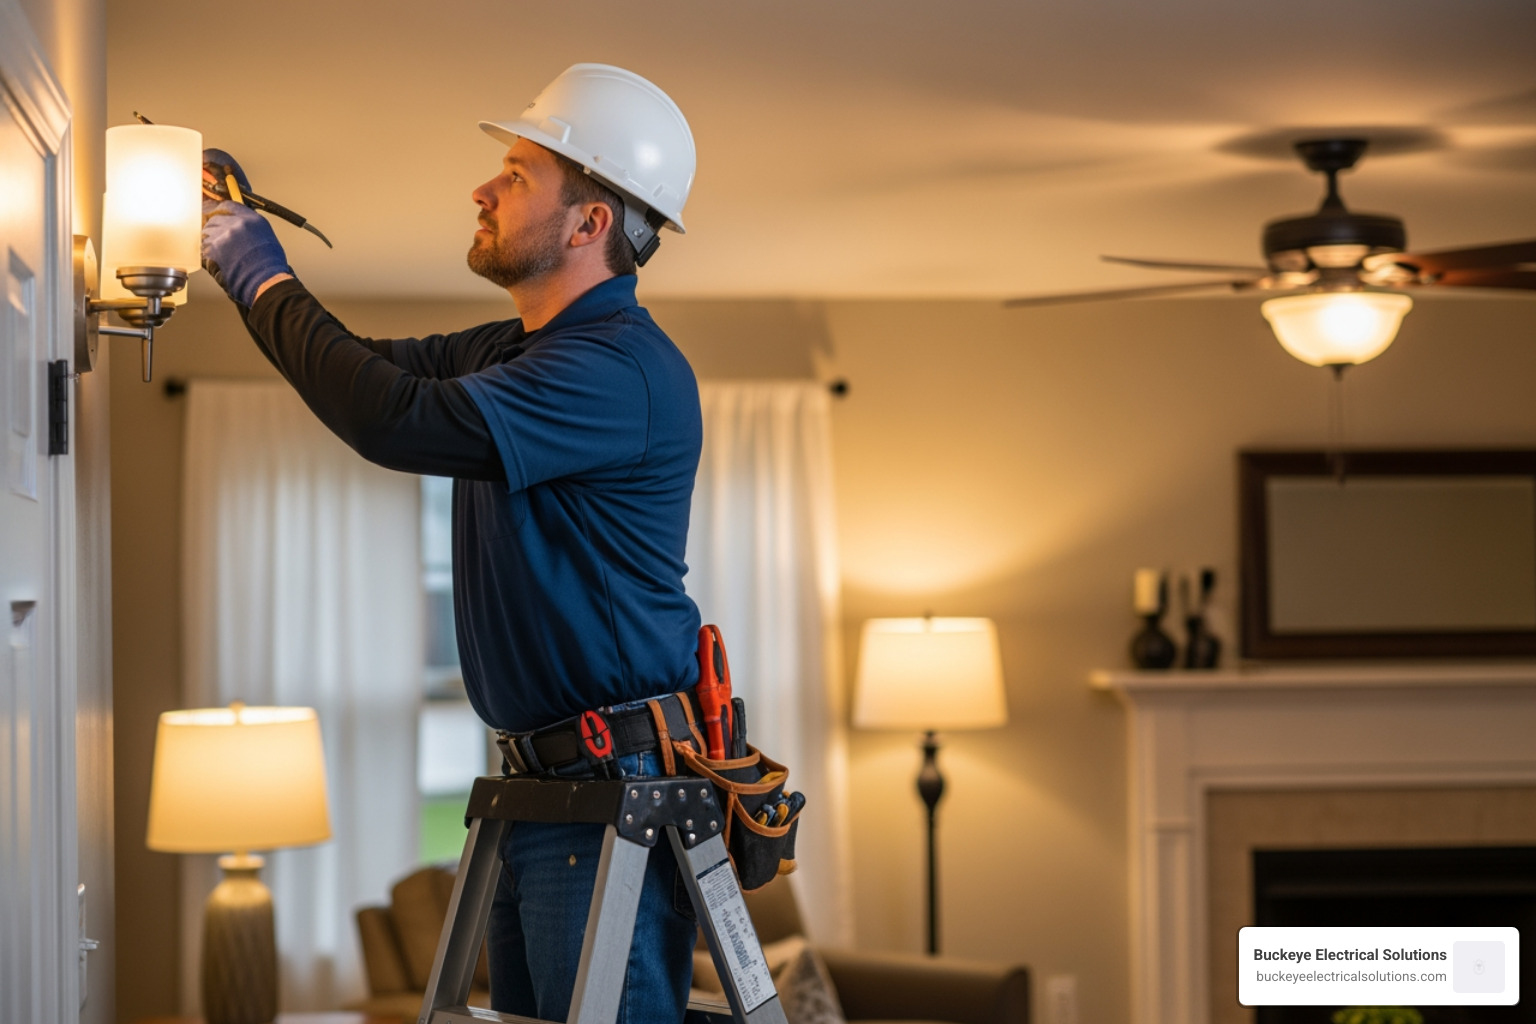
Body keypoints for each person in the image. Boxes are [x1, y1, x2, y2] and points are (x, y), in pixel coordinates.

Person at [199, 64, 704, 1022]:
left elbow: (389, 420)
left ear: (590, 224)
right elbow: (359, 374)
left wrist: (260, 268)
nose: (482, 188)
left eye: (515, 174)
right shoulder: (515, 350)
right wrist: (243, 273)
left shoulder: (617, 371)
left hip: (615, 799)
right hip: (547, 790)